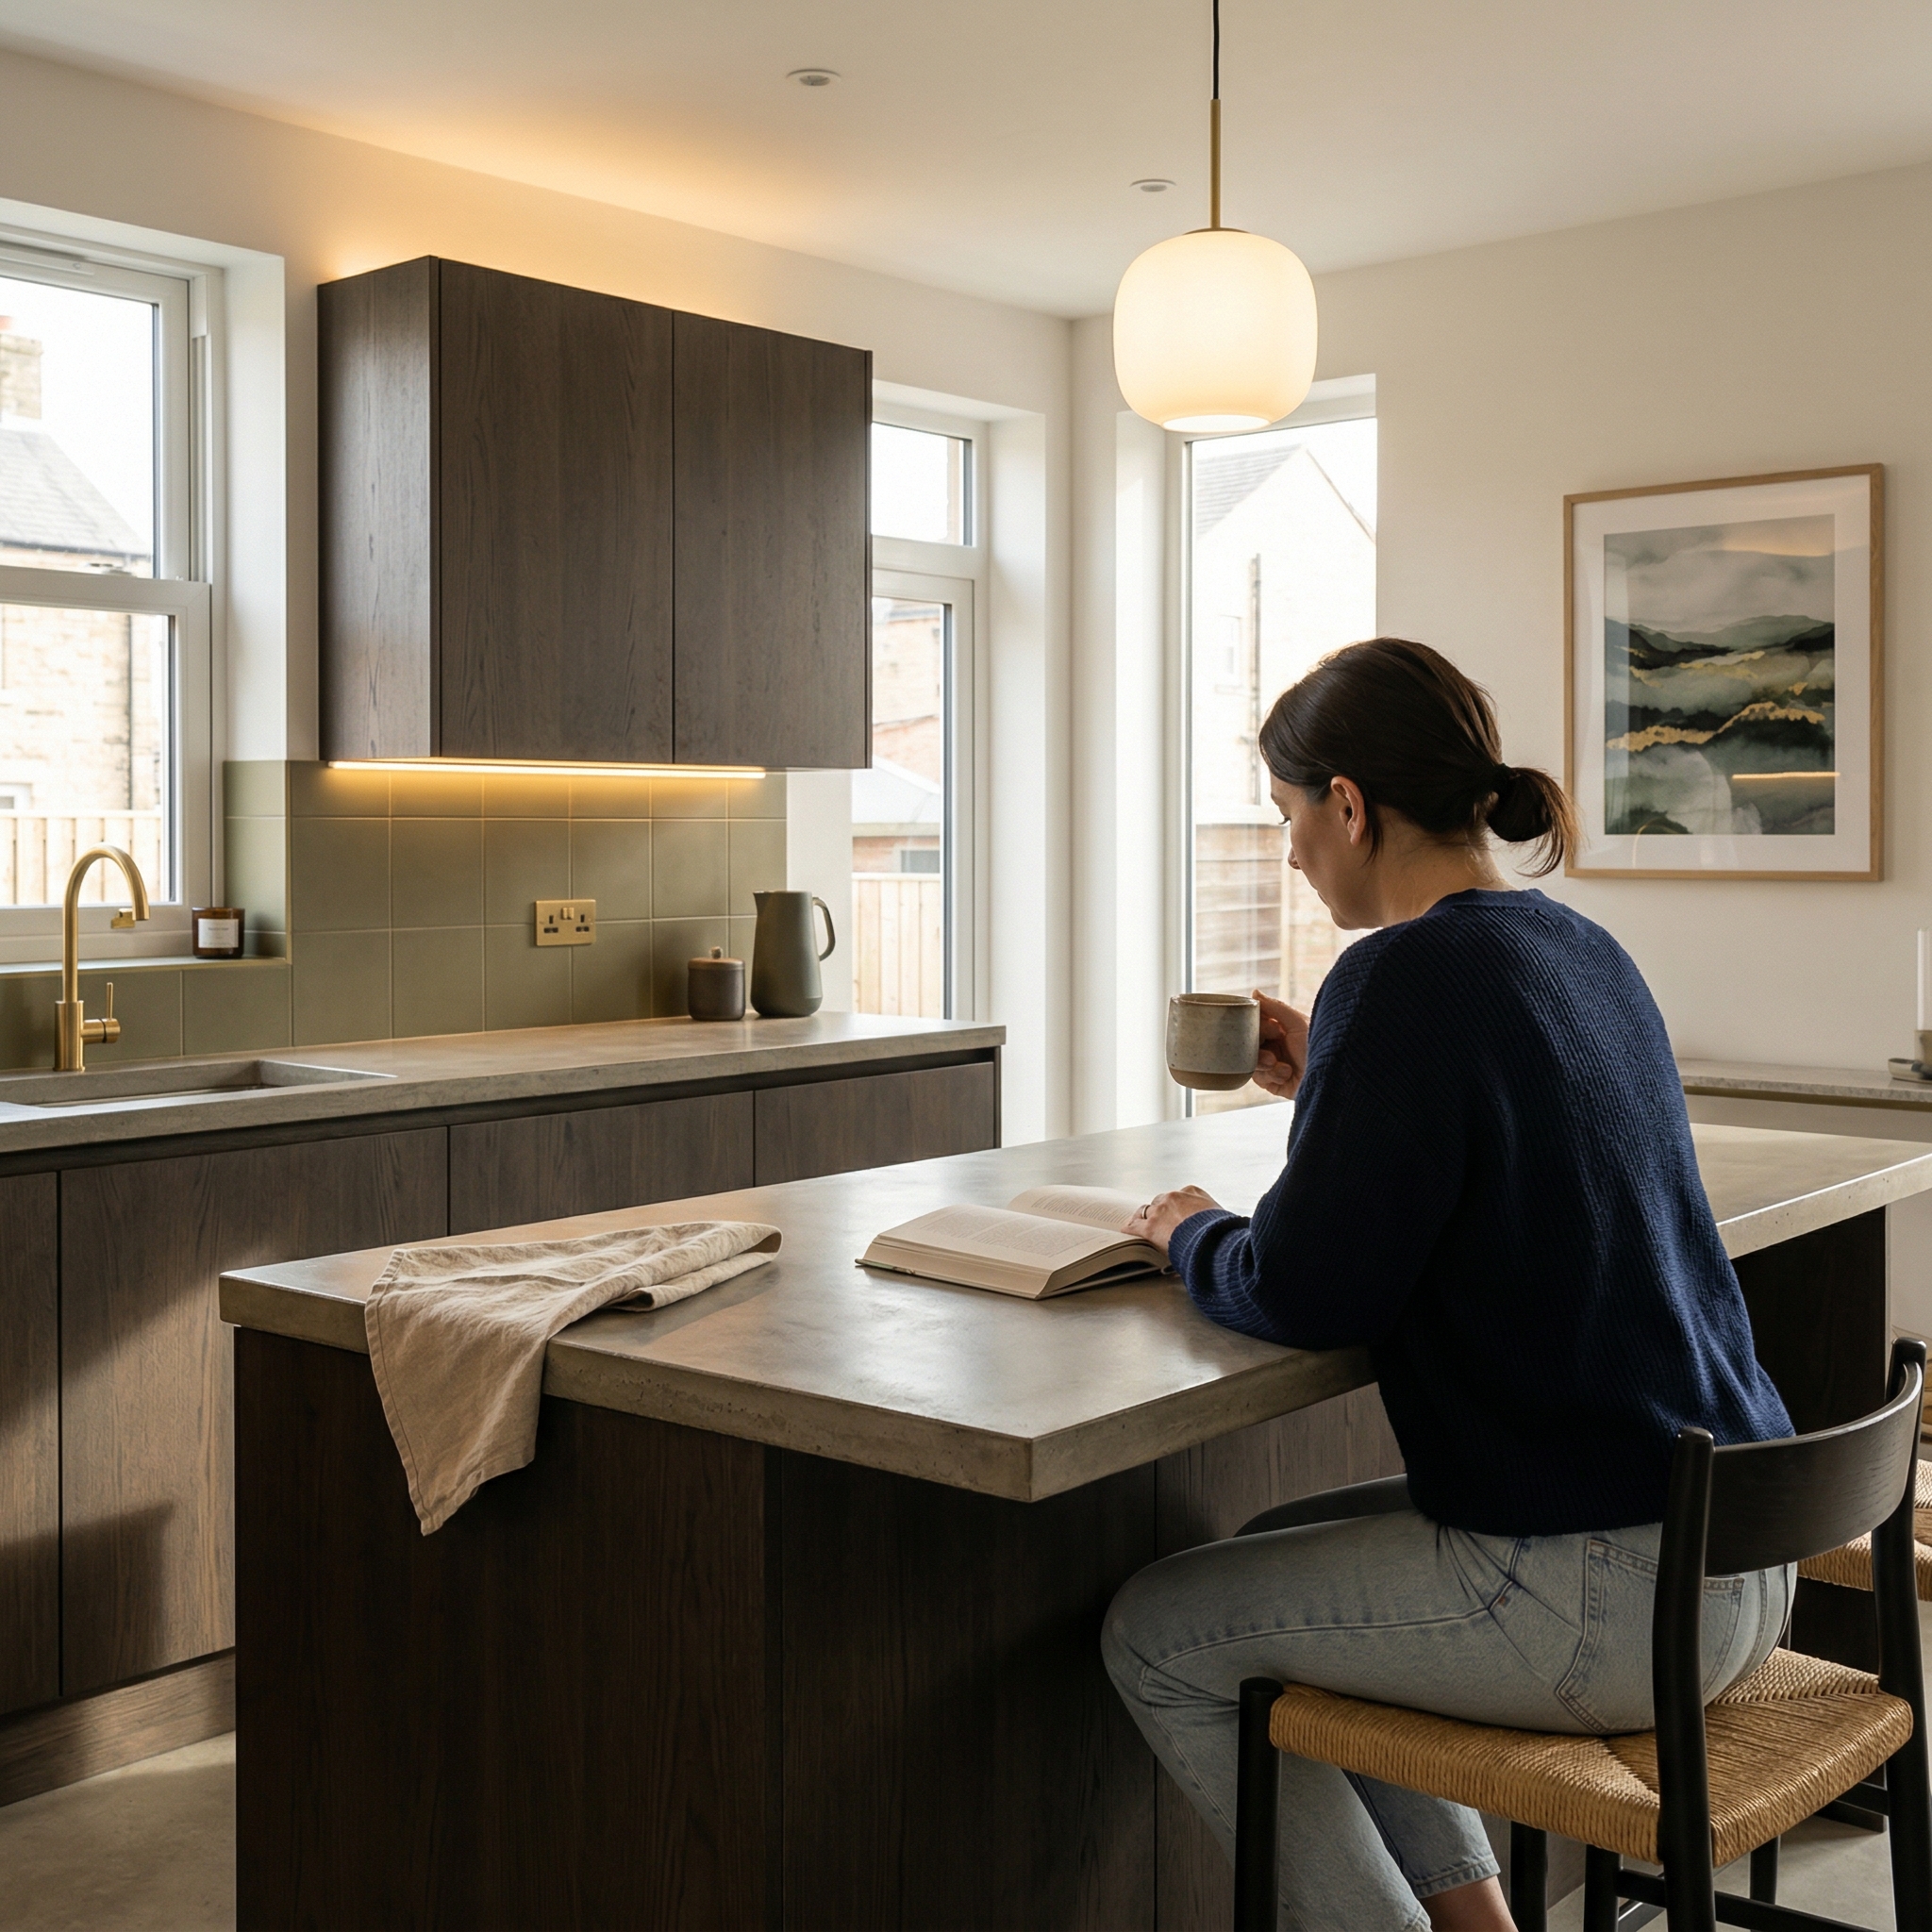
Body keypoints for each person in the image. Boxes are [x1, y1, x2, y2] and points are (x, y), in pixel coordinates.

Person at [1105, 638, 1793, 1932]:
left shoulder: (1399, 973)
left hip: (1608, 1596)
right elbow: (1506, 1145)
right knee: (1264, 1561)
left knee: (1158, 1633)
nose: (1294, 855)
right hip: (1737, 1560)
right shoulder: (1580, 948)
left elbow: (1308, 1289)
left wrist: (1189, 1232)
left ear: (1351, 804)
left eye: (1291, 817)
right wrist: (1338, 1086)